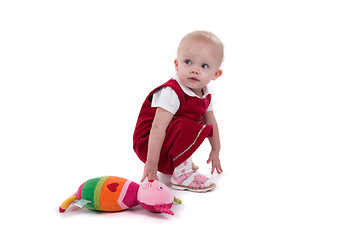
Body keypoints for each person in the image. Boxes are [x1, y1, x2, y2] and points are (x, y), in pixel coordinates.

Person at [133, 31, 223, 192]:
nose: (195, 70)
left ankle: (180, 163)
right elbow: (158, 127)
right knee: (188, 124)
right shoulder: (172, 92)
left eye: (204, 66)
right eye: (188, 62)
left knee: (200, 122)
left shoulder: (206, 93)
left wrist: (216, 149)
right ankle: (182, 176)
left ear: (216, 74)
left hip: (166, 141)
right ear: (176, 64)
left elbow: (211, 122)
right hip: (148, 143)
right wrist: (151, 164)